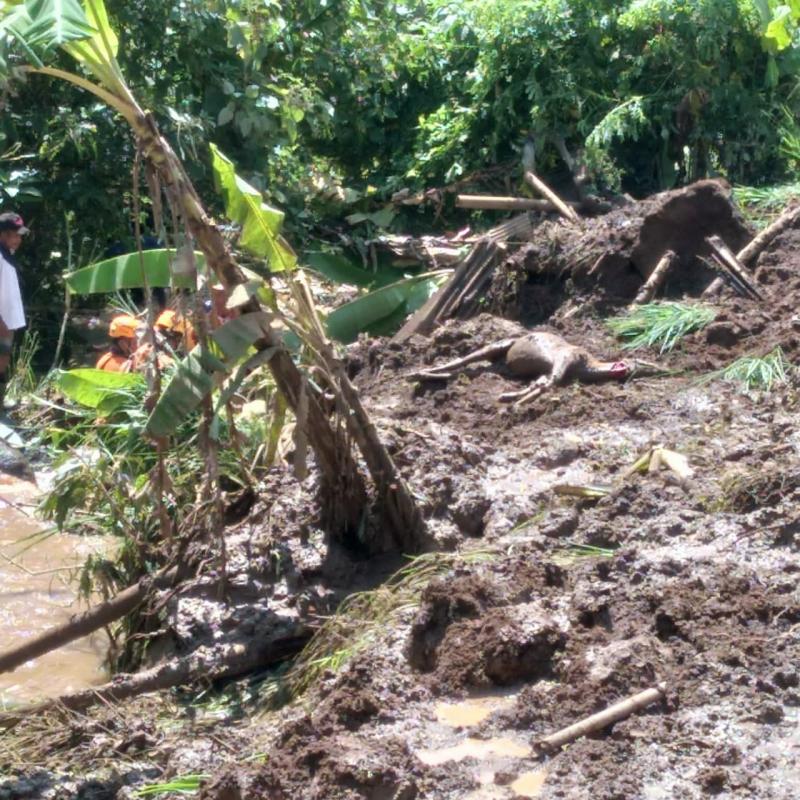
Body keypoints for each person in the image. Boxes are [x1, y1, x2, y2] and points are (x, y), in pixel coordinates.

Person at [0, 212, 29, 409]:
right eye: (14, 234)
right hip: (2, 322)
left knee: (3, 358)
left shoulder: (7, 255)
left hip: (7, 321)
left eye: (20, 235)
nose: (18, 239)